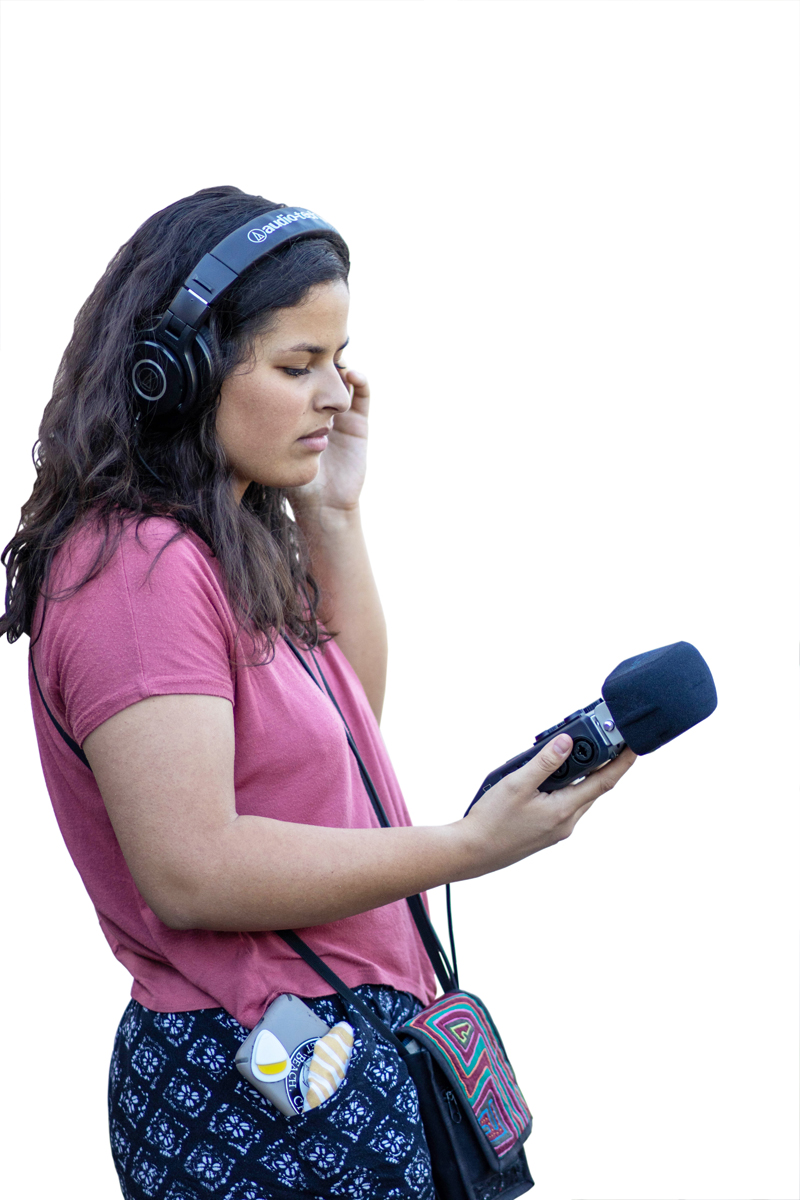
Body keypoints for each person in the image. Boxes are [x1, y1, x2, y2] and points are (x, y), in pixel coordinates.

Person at [1, 186, 635, 1200]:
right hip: (258, 1073)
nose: (335, 393)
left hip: (329, 1046)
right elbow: (192, 868)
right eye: (298, 366)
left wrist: (333, 515)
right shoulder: (136, 569)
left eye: (336, 360)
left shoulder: (231, 544)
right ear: (176, 374)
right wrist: (468, 848)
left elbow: (343, 746)